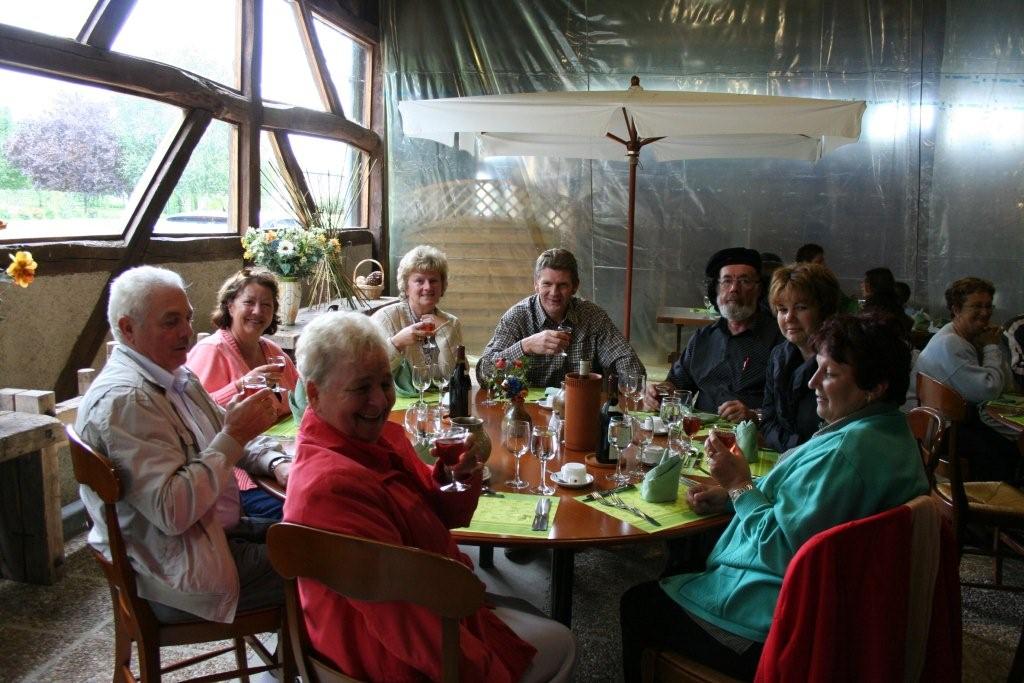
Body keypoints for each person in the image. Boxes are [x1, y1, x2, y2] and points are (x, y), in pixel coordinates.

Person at [621, 314, 928, 680]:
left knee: (638, 603)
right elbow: (808, 514)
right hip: (843, 609)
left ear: (875, 387)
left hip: (774, 625)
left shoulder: (845, 455)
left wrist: (740, 485)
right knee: (689, 555)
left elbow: (783, 549)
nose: (812, 382)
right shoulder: (888, 431)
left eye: (829, 374)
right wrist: (732, 496)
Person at [282, 312, 576, 682]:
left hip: (432, 604)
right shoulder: (330, 486)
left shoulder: (381, 439)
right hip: (381, 656)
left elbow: (440, 514)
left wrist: (458, 477)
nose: (379, 402)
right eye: (360, 389)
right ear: (314, 394)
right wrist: (490, 673)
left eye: (386, 383)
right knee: (562, 642)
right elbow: (402, 619)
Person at [75, 266, 285, 624]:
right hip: (177, 574)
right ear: (127, 328)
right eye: (171, 322)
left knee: (320, 532)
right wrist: (232, 438)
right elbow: (173, 511)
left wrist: (279, 463)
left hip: (209, 536)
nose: (187, 333)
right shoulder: (127, 401)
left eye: (187, 318)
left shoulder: (175, 374)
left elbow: (229, 427)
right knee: (328, 563)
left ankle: (300, 654)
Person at [187, 268, 298, 519]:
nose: (258, 311)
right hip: (239, 475)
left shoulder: (273, 352)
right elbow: (199, 415)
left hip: (283, 457)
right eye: (249, 302)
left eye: (266, 305)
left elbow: (301, 399)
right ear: (230, 305)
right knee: (301, 512)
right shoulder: (211, 351)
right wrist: (240, 385)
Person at [645, 248, 783, 420]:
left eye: (744, 281)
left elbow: (790, 410)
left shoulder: (779, 341)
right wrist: (659, 392)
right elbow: (676, 384)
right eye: (726, 281)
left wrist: (754, 415)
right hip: (699, 436)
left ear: (759, 289)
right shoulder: (703, 338)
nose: (734, 288)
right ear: (716, 289)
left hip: (755, 438)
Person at [479, 248, 644, 388]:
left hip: (581, 410)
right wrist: (526, 346)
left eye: (562, 285)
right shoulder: (517, 317)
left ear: (575, 287)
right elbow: (484, 374)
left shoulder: (593, 317)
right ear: (536, 284)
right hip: (528, 413)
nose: (554, 293)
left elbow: (628, 363)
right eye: (547, 284)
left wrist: (631, 388)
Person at [910, 277, 1017, 481]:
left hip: (946, 423)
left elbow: (1006, 385)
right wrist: (991, 347)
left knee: (1007, 443)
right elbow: (990, 390)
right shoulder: (950, 343)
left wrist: (990, 345)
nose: (985, 313)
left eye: (988, 306)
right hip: (939, 432)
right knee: (1006, 450)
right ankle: (992, 508)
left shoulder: (967, 338)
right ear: (956, 309)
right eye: (976, 306)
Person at [760, 262, 841, 452]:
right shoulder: (778, 355)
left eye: (801, 307)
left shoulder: (841, 363)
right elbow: (768, 421)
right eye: (782, 309)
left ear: (824, 310)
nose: (789, 318)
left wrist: (794, 450)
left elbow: (836, 436)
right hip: (787, 460)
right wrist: (793, 448)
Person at [371, 244, 465, 395]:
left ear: (442, 286)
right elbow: (370, 372)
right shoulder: (386, 318)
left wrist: (445, 335)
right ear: (406, 287)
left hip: (440, 406)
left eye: (433, 280)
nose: (428, 287)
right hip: (393, 406)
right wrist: (397, 343)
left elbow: (455, 379)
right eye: (419, 281)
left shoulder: (451, 323)